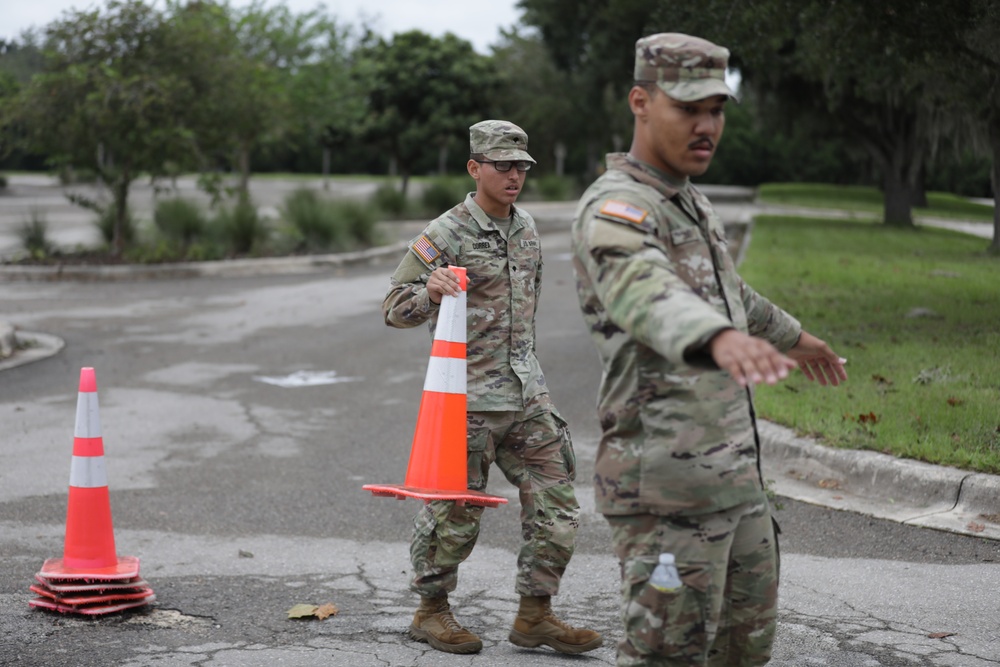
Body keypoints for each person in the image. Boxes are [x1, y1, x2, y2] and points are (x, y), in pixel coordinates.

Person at [570, 33, 848, 666]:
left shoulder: (689, 202)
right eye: (688, 108)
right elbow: (647, 291)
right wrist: (716, 339)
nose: (707, 126)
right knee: (669, 656)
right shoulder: (618, 209)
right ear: (640, 101)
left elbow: (731, 292)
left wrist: (797, 339)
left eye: (716, 110)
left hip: (734, 482)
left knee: (744, 652)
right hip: (666, 491)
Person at [382, 120, 603, 656]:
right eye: (502, 165)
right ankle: (430, 612)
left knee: (557, 507)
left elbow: (529, 308)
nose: (513, 175)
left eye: (521, 166)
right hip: (468, 403)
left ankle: (535, 616)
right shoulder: (447, 232)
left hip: (527, 397)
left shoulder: (527, 227)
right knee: (455, 514)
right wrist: (429, 293)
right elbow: (393, 309)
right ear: (474, 168)